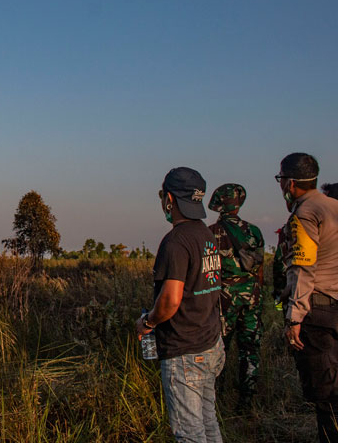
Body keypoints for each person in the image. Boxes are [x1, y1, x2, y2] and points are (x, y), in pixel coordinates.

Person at [136, 167, 224, 443]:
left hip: (185, 351)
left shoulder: (175, 241)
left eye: (163, 196)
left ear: (169, 200)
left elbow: (171, 299)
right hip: (210, 343)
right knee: (208, 421)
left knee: (189, 433)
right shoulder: (206, 235)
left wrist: (148, 322)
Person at [276, 153, 338, 443]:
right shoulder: (333, 207)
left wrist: (294, 317)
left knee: (325, 395)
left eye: (280, 180)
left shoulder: (304, 213)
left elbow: (304, 267)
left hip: (319, 311)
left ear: (290, 183)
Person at [208, 183, 265, 399]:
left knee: (219, 348)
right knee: (250, 347)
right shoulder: (254, 231)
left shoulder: (211, 232)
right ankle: (247, 400)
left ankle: (216, 397)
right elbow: (260, 270)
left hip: (224, 296)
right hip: (252, 294)